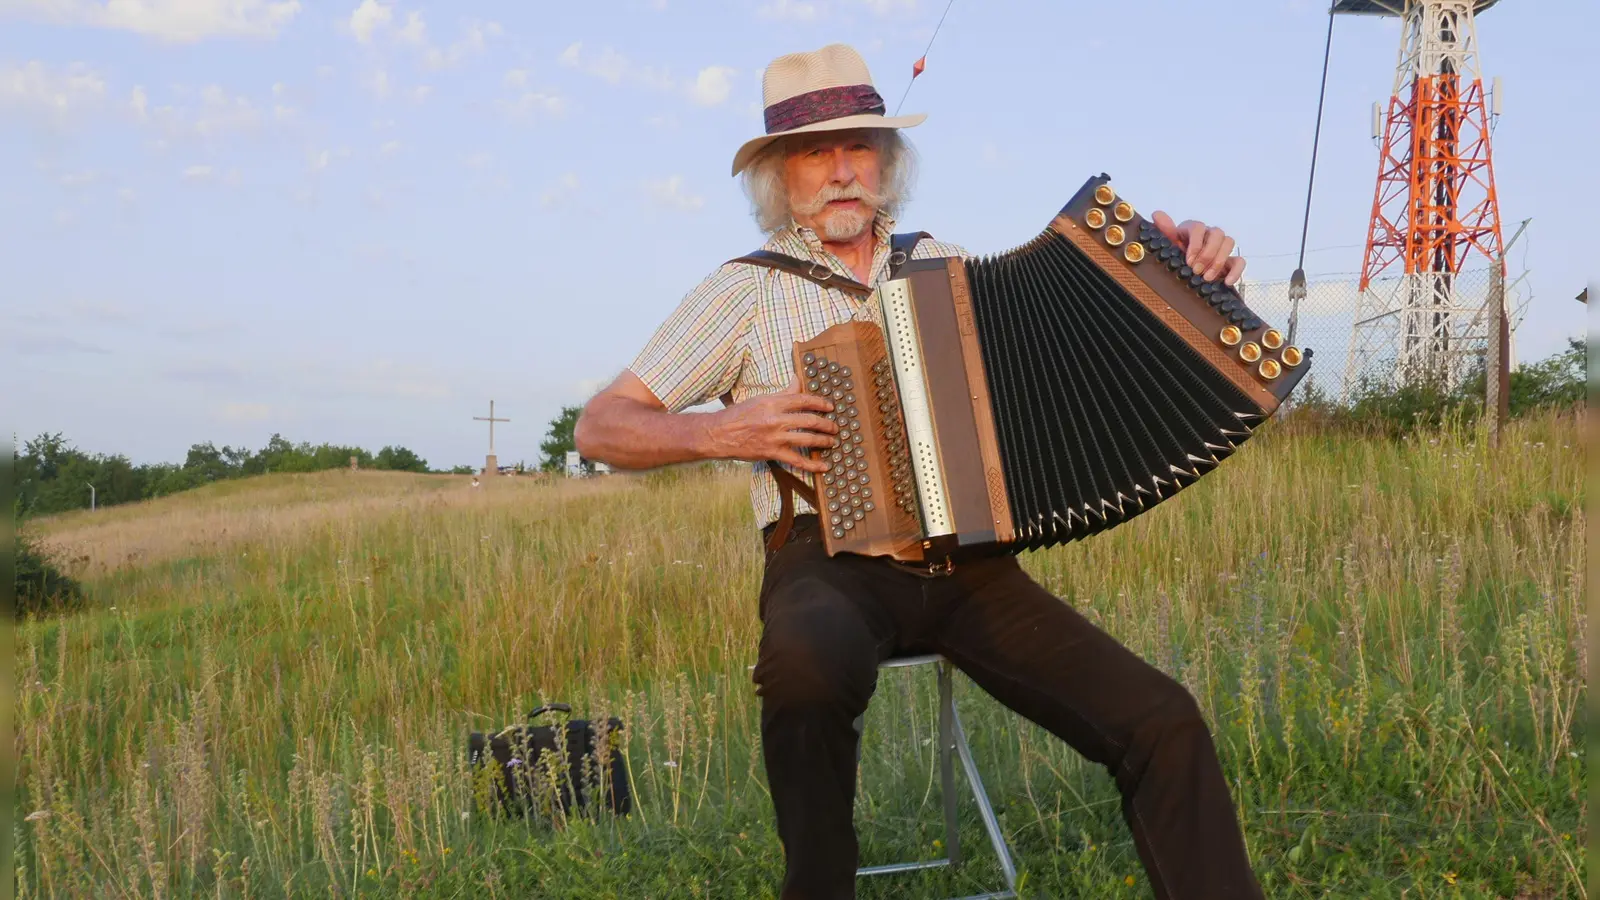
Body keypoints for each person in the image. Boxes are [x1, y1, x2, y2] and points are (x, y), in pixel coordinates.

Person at [574, 42, 1261, 900]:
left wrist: (1171, 265)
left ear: (887, 162)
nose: (839, 171)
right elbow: (602, 425)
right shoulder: (742, 293)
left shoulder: (949, 266)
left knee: (1163, 720)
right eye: (814, 152)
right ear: (779, 179)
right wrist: (727, 431)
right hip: (826, 563)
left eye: (857, 146)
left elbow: (1071, 338)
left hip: (970, 568)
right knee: (804, 665)